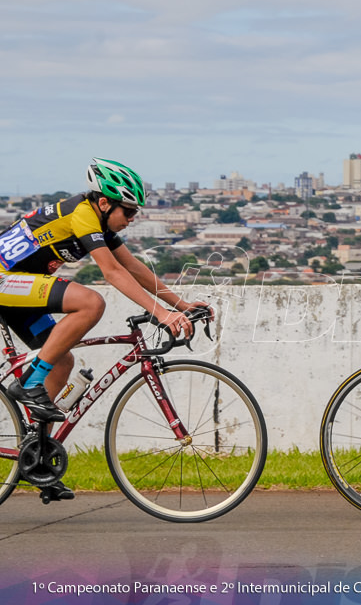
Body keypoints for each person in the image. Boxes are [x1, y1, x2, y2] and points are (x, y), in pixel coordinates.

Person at [0, 158, 211, 501]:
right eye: (128, 212)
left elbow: (133, 267)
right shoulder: (81, 214)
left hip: (19, 288)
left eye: (134, 213)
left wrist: (181, 306)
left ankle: (37, 460)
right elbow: (112, 272)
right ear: (103, 202)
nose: (131, 219)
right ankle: (31, 384)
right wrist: (158, 312)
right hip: (5, 281)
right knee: (91, 303)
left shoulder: (99, 223)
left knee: (63, 362)